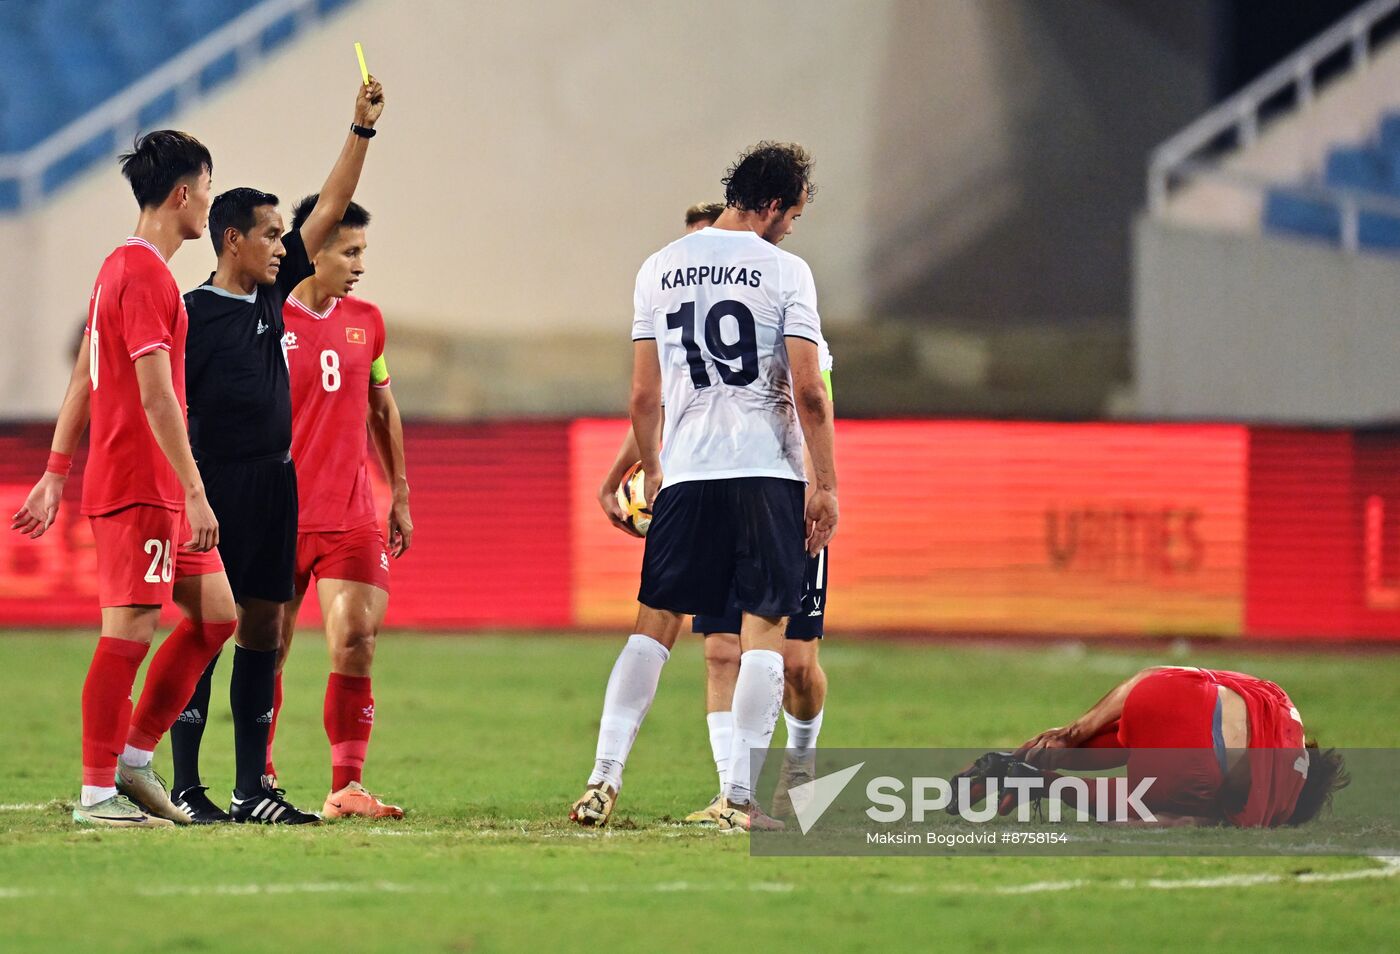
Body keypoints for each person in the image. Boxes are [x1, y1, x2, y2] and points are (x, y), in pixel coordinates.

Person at [571, 142, 838, 832]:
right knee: (762, 636)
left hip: (688, 474)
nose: (791, 228)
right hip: (766, 472)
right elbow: (809, 390)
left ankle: (603, 779)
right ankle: (741, 801)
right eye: (794, 214)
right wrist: (825, 485)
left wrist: (653, 469)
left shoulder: (659, 267)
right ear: (775, 205)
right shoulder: (786, 272)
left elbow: (642, 390)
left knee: (652, 629)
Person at [167, 77, 386, 825]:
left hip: (276, 486)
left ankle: (250, 790)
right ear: (234, 240)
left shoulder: (268, 296)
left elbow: (326, 209)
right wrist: (186, 493)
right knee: (207, 631)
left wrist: (360, 131)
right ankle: (187, 788)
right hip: (215, 489)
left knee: (262, 629)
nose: (282, 246)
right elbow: (163, 408)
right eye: (268, 234)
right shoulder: (189, 313)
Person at [10, 131, 240, 828]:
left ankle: (135, 759)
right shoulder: (143, 276)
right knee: (132, 630)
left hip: (154, 484)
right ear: (180, 194)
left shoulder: (119, 268)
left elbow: (84, 374)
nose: (208, 199)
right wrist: (197, 489)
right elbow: (155, 395)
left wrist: (53, 473)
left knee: (217, 615)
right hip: (142, 483)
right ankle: (95, 794)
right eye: (206, 186)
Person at [260, 194, 410, 819]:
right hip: (278, 512)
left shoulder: (368, 321)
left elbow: (381, 406)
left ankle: (346, 786)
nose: (359, 265)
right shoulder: (266, 318)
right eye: (349, 251)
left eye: (363, 252)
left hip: (351, 513)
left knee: (356, 638)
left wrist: (399, 489)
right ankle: (257, 773)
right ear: (312, 249)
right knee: (268, 649)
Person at [955, 666, 1350, 827]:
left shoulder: (1279, 699)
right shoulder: (1279, 806)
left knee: (1133, 731)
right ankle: (1039, 782)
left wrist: (1076, 730)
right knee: (1162, 804)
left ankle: (1016, 759)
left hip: (1159, 696)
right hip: (1193, 771)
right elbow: (1204, 817)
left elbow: (1170, 674)